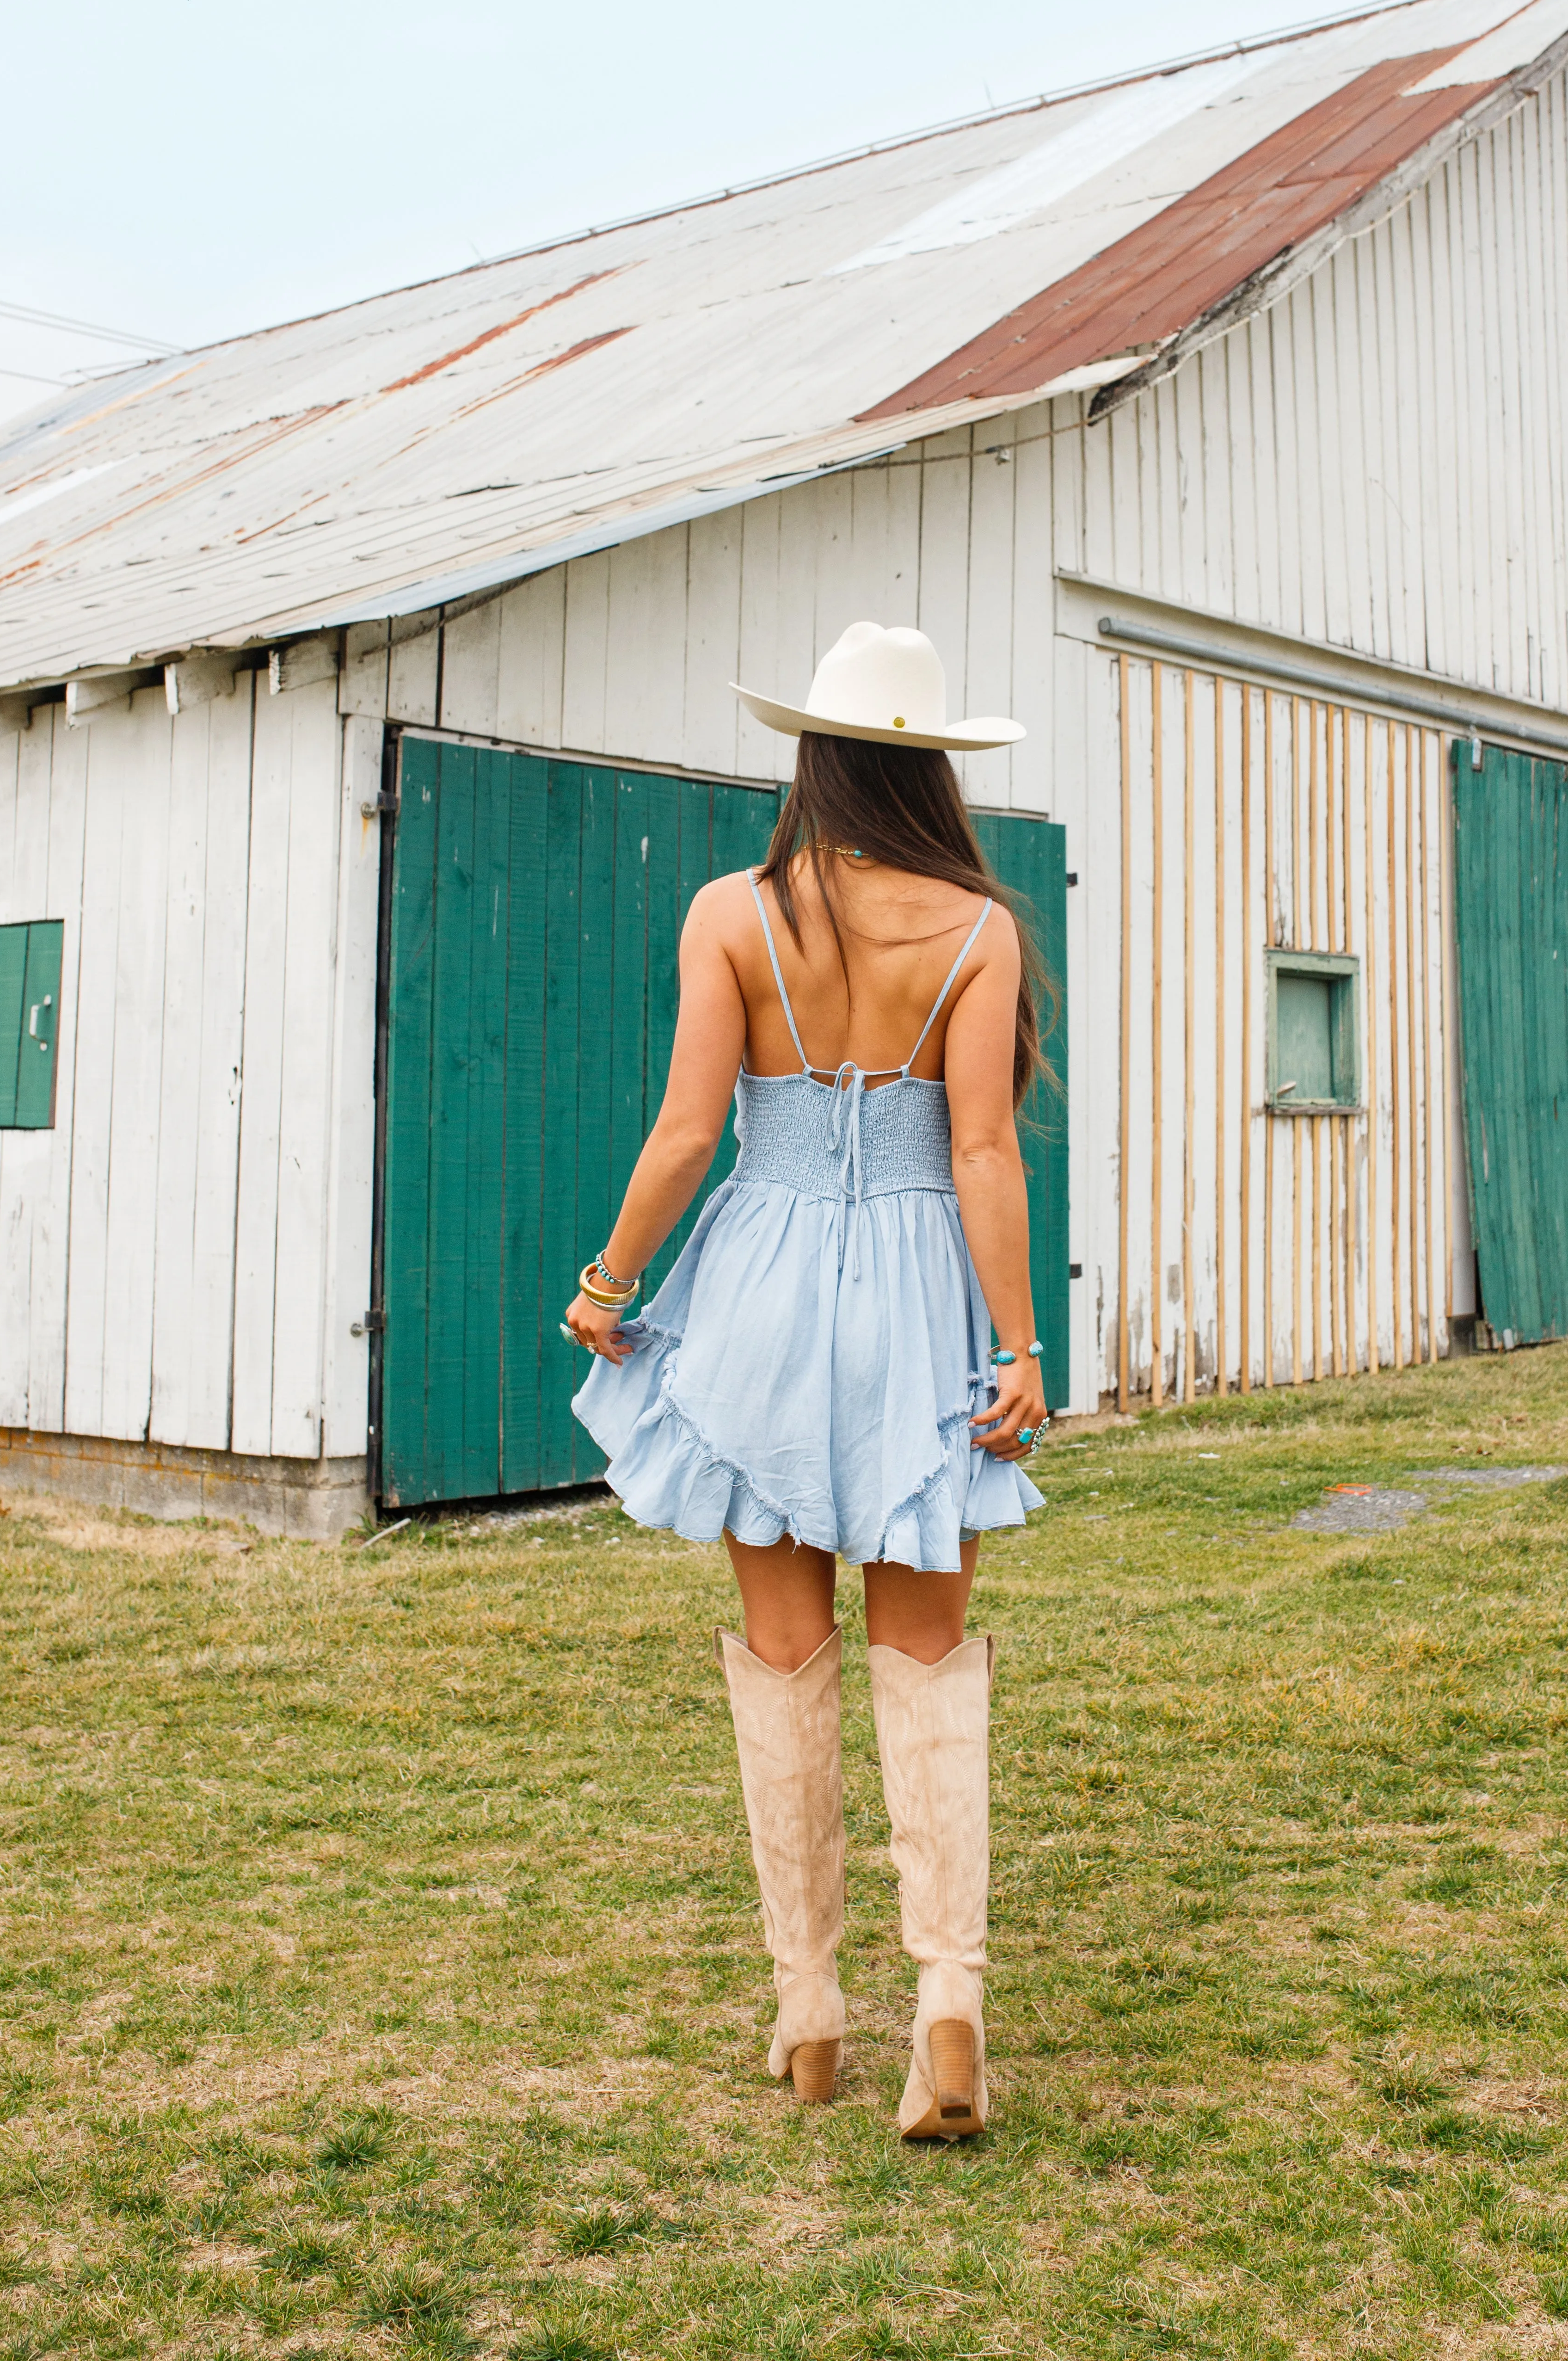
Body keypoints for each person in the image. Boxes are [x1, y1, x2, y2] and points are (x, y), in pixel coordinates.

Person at [564, 623, 1050, 2140]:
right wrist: (1022, 1347)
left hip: (763, 1294)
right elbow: (982, 1150)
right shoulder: (977, 931)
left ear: (814, 754)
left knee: (784, 1654)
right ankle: (949, 2009)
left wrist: (608, 1284)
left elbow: (684, 1136)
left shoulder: (734, 912)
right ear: (932, 767)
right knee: (929, 1656)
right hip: (915, 1300)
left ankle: (812, 2013)